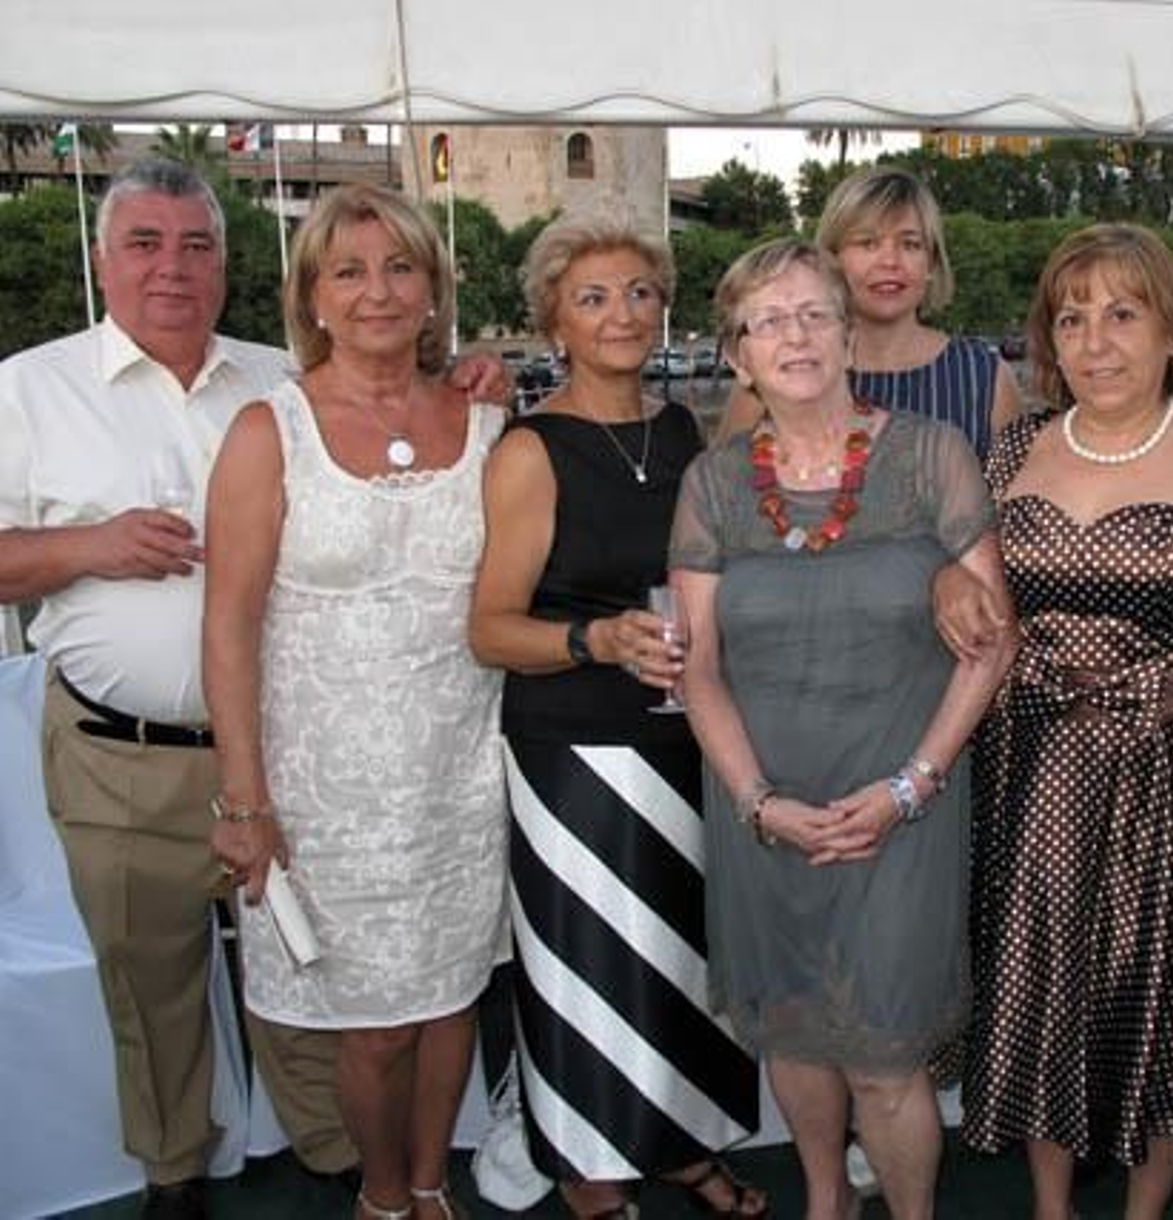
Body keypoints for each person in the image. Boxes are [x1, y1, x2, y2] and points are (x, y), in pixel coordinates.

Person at [0, 158, 368, 1219]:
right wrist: (89, 543)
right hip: (121, 759)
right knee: (149, 981)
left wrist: (472, 381)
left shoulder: (287, 378)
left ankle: (331, 1146)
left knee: (304, 967)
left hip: (285, 745)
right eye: (147, 243)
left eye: (197, 245)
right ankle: (171, 1166)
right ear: (102, 258)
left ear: (226, 263)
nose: (173, 267)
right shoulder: (30, 386)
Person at [672, 237, 1015, 1220]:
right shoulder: (716, 483)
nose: (794, 335)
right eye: (766, 320)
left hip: (900, 801)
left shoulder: (926, 456)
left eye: (813, 312)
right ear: (735, 354)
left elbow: (991, 642)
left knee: (884, 1054)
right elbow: (697, 662)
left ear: (846, 331)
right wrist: (757, 800)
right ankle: (825, 1200)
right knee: (793, 1030)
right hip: (763, 799)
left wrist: (912, 783)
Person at [961, 223, 1173, 1220]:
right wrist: (942, 581)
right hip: (1033, 771)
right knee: (1043, 990)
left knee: (1170, 1004)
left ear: (1171, 331)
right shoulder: (1009, 449)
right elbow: (970, 586)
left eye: (1122, 313)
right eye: (1072, 316)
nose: (1095, 340)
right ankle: (1052, 1208)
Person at [203, 183, 507, 1220]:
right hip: (324, 793)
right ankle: (382, 1195)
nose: (376, 291)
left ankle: (433, 1184)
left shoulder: (490, 420)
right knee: (373, 1025)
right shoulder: (264, 429)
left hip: (463, 777)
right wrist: (246, 799)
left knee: (453, 997)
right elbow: (228, 626)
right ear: (312, 299)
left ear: (433, 291)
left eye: (398, 267)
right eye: (348, 270)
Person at [468, 214, 766, 1220]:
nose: (622, 313)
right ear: (553, 318)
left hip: (686, 732)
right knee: (584, 960)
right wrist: (596, 640)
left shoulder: (683, 429)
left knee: (683, 956)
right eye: (592, 296)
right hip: (572, 748)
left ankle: (681, 1147)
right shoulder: (531, 449)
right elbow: (489, 627)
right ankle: (587, 1161)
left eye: (639, 291)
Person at [715, 165, 1021, 457]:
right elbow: (723, 498)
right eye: (868, 243)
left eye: (910, 244)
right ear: (831, 259)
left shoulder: (984, 377)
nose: (890, 261)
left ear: (932, 263)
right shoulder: (777, 374)